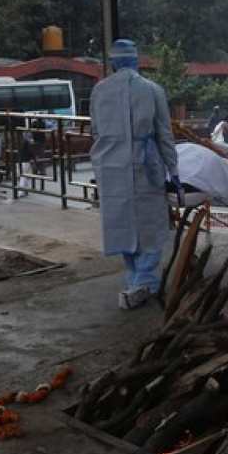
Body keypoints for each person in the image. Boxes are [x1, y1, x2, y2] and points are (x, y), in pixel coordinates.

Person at [90, 38, 179, 310]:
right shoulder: (152, 90)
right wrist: (173, 170)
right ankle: (144, 281)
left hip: (111, 166)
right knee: (149, 226)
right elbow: (165, 133)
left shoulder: (99, 91)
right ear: (136, 59)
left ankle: (135, 279)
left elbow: (95, 131)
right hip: (145, 165)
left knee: (122, 225)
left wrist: (98, 167)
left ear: (113, 61)